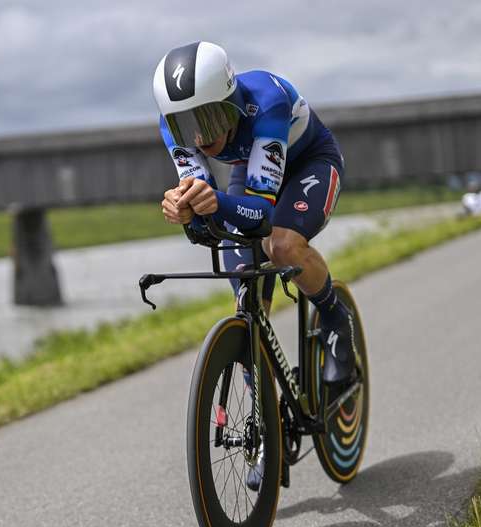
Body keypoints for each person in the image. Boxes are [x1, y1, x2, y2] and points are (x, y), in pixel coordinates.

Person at [152, 42, 358, 488]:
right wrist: (186, 211)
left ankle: (336, 319)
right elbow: (205, 198)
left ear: (230, 101)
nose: (200, 137)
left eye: (208, 119)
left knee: (281, 245)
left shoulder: (267, 100)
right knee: (244, 290)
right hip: (246, 173)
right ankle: (268, 426)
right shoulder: (178, 132)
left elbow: (262, 217)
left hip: (307, 162)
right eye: (185, 125)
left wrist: (213, 203)